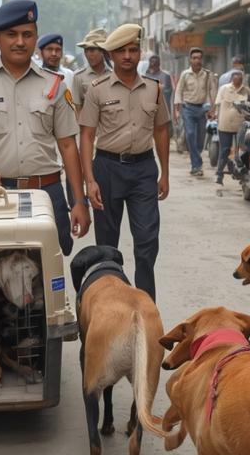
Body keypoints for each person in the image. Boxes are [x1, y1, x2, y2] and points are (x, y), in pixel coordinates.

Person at [0, 0, 91, 255]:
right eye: (11, 35)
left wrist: (79, 202)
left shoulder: (56, 85)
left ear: (35, 39)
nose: (20, 42)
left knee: (49, 267)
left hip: (47, 192)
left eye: (27, 35)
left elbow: (67, 146)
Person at [78, 23, 171, 297]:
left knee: (146, 244)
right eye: (121, 51)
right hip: (107, 169)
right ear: (111, 55)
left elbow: (161, 130)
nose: (128, 56)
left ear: (140, 53)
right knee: (106, 248)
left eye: (133, 50)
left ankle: (146, 306)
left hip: (143, 170)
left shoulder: (154, 89)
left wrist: (164, 173)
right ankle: (108, 302)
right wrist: (90, 180)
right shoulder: (96, 90)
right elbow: (86, 136)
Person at [176, 47, 214, 177]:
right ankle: (196, 165)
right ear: (190, 60)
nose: (197, 60)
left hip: (202, 109)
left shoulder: (207, 74)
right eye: (194, 58)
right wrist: (177, 108)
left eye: (199, 58)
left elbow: (211, 91)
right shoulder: (185, 74)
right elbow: (179, 91)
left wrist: (212, 108)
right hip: (188, 109)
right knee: (190, 135)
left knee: (200, 140)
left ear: (202, 59)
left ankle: (196, 158)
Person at [213, 68, 250, 185]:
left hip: (241, 125)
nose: (237, 82)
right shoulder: (224, 89)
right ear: (231, 80)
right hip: (225, 125)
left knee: (242, 150)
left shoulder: (247, 91)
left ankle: (243, 175)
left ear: (242, 80)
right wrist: (216, 116)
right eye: (235, 80)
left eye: (240, 80)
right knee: (224, 150)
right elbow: (217, 104)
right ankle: (219, 174)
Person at [72, 28, 111, 106]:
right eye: (86, 51)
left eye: (92, 50)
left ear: (102, 51)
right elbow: (77, 108)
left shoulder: (113, 74)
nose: (88, 54)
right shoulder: (79, 77)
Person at [36, 32, 76, 108]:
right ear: (41, 52)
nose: (54, 53)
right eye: (49, 49)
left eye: (58, 50)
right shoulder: (35, 74)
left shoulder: (70, 75)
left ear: (61, 53)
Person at [142, 54, 175, 120]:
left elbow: (167, 94)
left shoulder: (165, 76)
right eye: (151, 64)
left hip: (163, 110)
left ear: (158, 64)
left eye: (155, 64)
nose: (152, 66)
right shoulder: (146, 76)